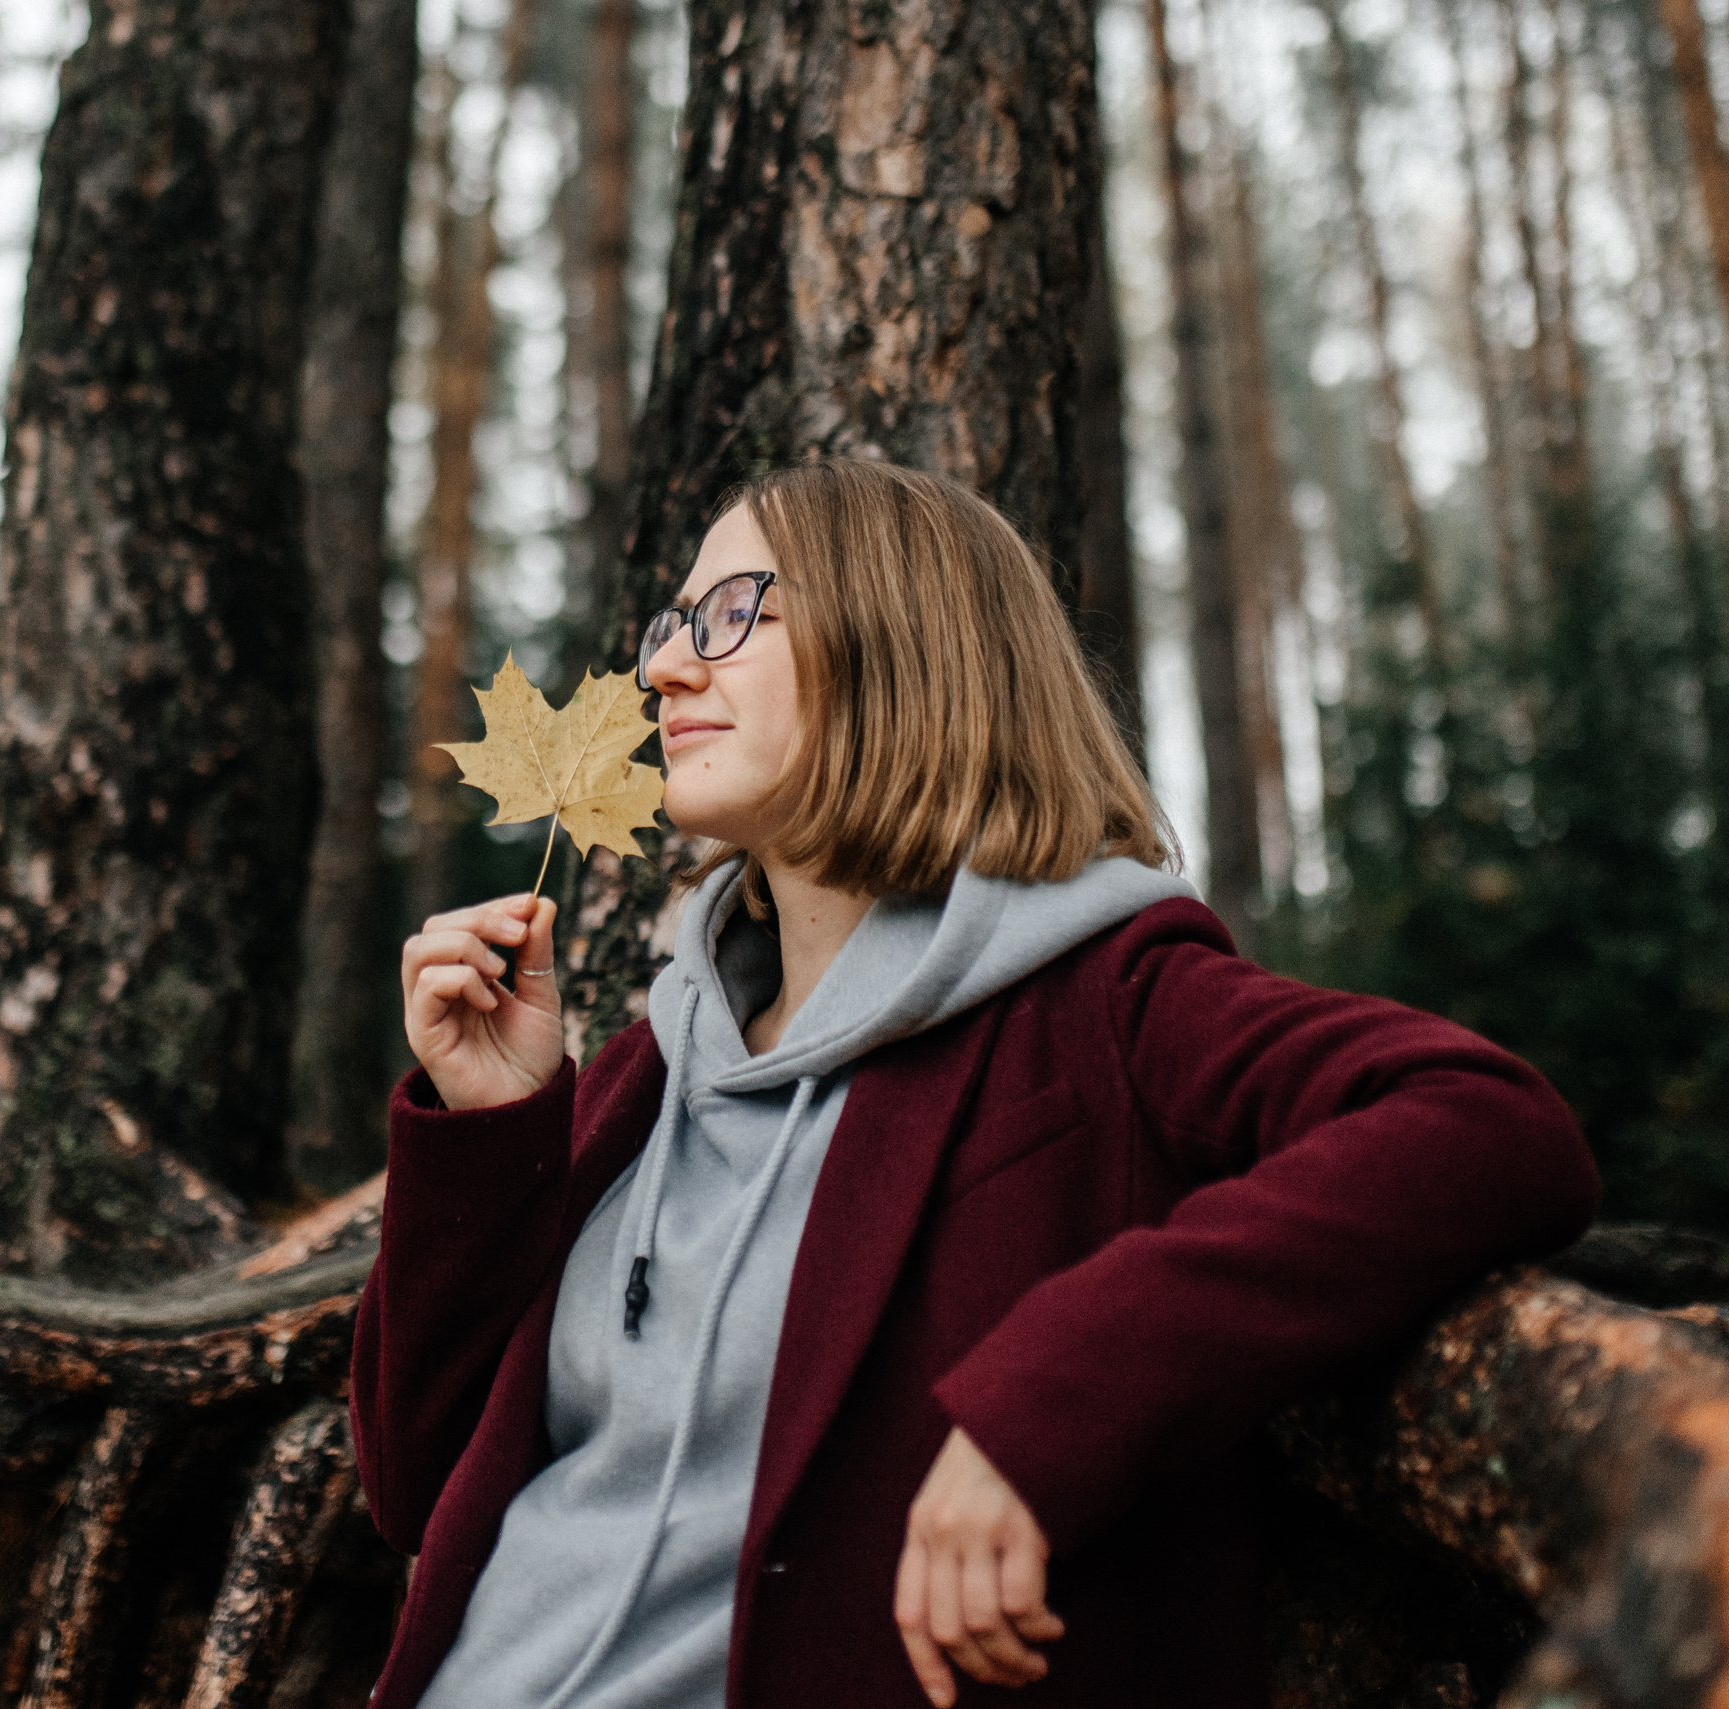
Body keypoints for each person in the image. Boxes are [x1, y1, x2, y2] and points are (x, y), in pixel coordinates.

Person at [349, 458, 1597, 1709]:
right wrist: (491, 1128)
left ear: (900, 642)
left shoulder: (1106, 1005)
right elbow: (417, 1488)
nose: (667, 668)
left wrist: (1052, 1397)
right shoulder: (649, 1072)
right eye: (671, 624)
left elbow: (1481, 1124)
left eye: (731, 612)